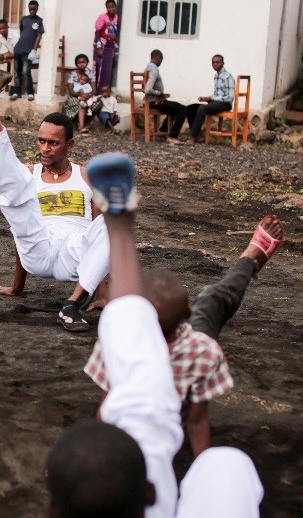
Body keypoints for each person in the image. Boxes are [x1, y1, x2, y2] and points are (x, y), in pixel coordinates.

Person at [45, 151, 264, 517]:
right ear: (150, 493)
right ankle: (122, 219)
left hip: (164, 368)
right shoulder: (200, 347)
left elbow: (124, 395)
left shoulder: (190, 349)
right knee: (227, 465)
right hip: (189, 341)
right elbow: (175, 412)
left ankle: (120, 220)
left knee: (139, 402)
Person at [84, 215, 284, 457]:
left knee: (213, 300)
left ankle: (249, 261)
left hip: (133, 435)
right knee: (212, 299)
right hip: (175, 400)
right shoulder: (202, 350)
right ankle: (249, 259)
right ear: (187, 314)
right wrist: (202, 464)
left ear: (137, 314)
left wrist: (96, 449)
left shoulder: (116, 341)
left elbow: (106, 406)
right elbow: (197, 421)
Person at [0, 70, 110, 332]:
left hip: (74, 255)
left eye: (53, 143)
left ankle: (71, 306)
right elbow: (20, 232)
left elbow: (97, 235)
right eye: (41, 141)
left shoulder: (86, 175)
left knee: (113, 222)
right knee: (16, 184)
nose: (45, 148)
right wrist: (17, 287)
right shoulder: (30, 174)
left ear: (69, 145)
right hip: (39, 247)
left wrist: (99, 290)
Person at [185, 54, 236, 144]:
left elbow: (229, 97)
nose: (215, 64)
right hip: (217, 102)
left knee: (202, 108)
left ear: (223, 63)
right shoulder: (216, 75)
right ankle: (200, 136)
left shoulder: (228, 77)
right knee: (191, 108)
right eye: (213, 62)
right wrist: (208, 98)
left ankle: (193, 137)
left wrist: (212, 98)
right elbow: (217, 94)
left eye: (218, 62)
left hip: (225, 104)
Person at [145, 49, 188, 144]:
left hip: (153, 100)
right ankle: (173, 136)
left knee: (174, 108)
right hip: (154, 102)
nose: (160, 62)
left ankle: (163, 131)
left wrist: (162, 95)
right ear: (157, 58)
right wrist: (159, 94)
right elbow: (147, 89)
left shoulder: (147, 69)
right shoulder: (154, 71)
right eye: (161, 60)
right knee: (183, 109)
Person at [12, 0, 45, 102]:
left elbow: (39, 36)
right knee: (17, 72)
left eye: (34, 9)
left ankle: (30, 92)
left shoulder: (39, 20)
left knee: (26, 72)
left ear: (37, 8)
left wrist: (34, 50)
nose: (32, 11)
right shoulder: (24, 19)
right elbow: (21, 31)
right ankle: (17, 92)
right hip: (18, 49)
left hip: (28, 52)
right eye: (30, 9)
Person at [92, 0, 119, 94]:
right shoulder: (102, 17)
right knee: (99, 68)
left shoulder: (116, 17)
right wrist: (99, 47)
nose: (111, 9)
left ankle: (105, 93)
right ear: (106, 8)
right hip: (101, 45)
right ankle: (96, 93)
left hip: (110, 46)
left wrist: (114, 48)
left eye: (112, 7)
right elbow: (97, 32)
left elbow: (115, 33)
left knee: (107, 70)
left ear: (115, 7)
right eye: (109, 7)